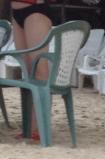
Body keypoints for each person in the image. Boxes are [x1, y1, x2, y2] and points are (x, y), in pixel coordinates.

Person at [10, 0, 53, 140]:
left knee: (40, 70)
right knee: (28, 73)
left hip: (35, 10)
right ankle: (30, 127)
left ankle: (40, 127)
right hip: (16, 10)